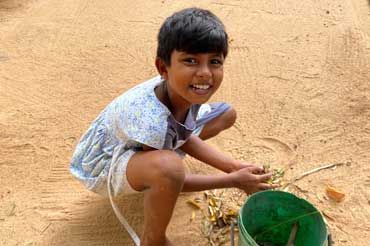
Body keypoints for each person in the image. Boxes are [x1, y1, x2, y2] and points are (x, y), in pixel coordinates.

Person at [70, 7, 278, 246]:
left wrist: (233, 166)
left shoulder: (184, 90)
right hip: (102, 167)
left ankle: (159, 160)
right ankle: (154, 240)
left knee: (225, 114)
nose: (204, 73)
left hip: (152, 140)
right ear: (163, 68)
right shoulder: (152, 120)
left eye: (214, 62)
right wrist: (233, 180)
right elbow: (175, 178)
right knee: (170, 169)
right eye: (190, 61)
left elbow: (185, 134)